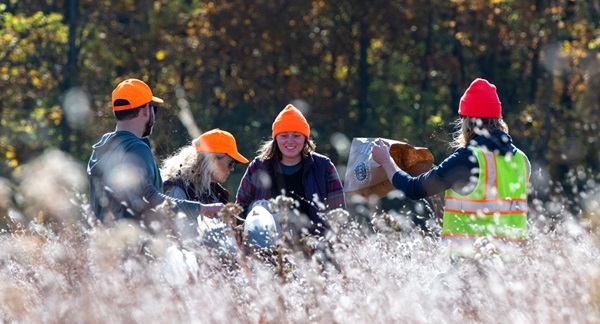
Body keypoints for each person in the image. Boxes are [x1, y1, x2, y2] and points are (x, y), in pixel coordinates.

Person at [371, 78, 531, 258]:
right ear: (498, 120)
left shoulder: (468, 158)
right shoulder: (522, 160)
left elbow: (413, 188)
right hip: (513, 270)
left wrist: (386, 160)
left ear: (468, 121)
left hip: (470, 266)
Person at [87, 78, 223, 233]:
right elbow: (151, 199)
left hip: (104, 246)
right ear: (145, 109)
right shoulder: (137, 148)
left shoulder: (100, 149)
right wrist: (201, 208)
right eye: (154, 108)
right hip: (135, 248)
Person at [235, 104, 346, 243]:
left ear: (305, 138)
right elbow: (239, 210)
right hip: (268, 253)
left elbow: (339, 213)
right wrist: (255, 211)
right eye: (284, 135)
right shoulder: (258, 166)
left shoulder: (324, 167)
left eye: (296, 135)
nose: (290, 141)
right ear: (275, 138)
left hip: (314, 251)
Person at [161, 128, 249, 243]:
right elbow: (179, 237)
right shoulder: (178, 188)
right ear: (212, 160)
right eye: (230, 163)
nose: (232, 169)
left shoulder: (212, 189)